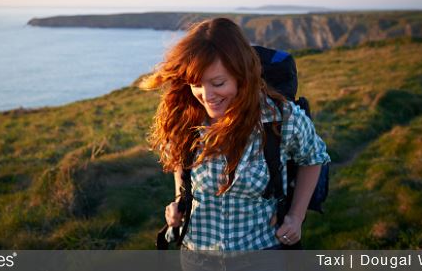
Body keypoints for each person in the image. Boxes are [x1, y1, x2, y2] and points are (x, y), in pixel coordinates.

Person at [141, 17, 330, 252]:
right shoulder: (185, 116)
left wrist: (295, 217)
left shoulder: (280, 117)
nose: (206, 95)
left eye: (218, 83)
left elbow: (314, 157)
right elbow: (181, 162)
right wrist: (180, 200)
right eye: (196, 84)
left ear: (242, 77)